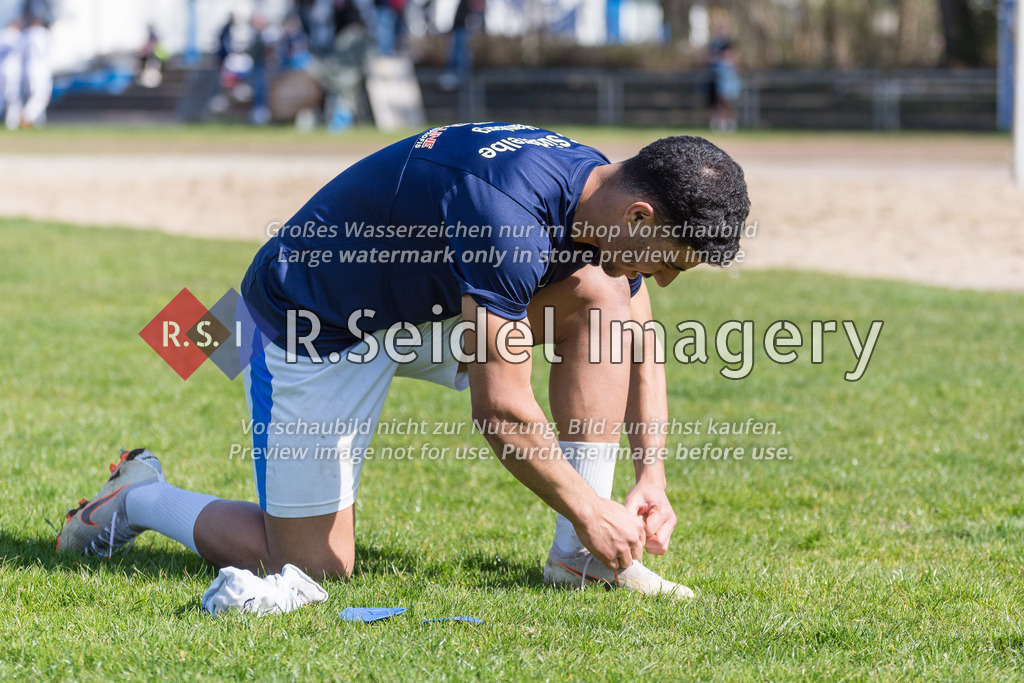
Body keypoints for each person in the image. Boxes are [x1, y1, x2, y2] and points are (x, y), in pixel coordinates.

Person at [57, 123, 750, 599]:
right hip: (320, 325)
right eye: (671, 261)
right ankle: (137, 495)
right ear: (639, 217)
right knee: (314, 566)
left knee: (603, 298)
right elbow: (501, 413)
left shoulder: (599, 189)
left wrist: (649, 473)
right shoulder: (509, 214)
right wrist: (591, 503)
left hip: (414, 304)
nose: (663, 278)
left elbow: (636, 327)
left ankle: (583, 561)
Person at [706, 27, 741, 133]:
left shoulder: (728, 44)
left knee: (727, 102)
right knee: (717, 102)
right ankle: (718, 123)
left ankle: (730, 123)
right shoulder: (712, 44)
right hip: (717, 79)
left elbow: (733, 57)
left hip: (727, 80)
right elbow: (707, 57)